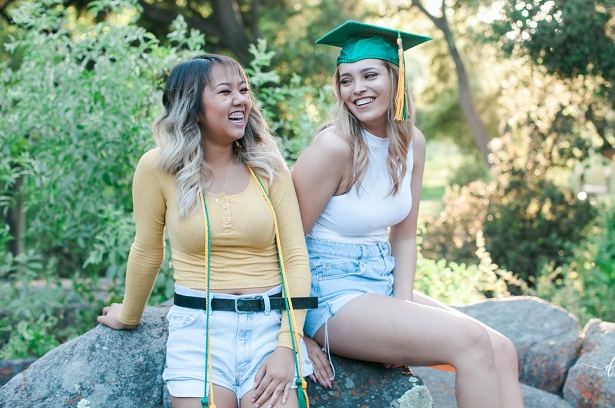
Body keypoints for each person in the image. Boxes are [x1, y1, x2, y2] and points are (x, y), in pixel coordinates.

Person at [291, 22, 525, 408]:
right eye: (346, 80)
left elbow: (403, 236)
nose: (357, 88)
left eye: (369, 75)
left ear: (395, 79)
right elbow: (283, 241)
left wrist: (401, 310)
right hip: (330, 292)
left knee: (502, 350)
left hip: (379, 280)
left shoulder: (411, 142)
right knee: (469, 341)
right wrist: (293, 334)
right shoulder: (334, 147)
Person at [98, 54, 315, 408]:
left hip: (268, 329)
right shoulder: (158, 167)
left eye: (243, 90)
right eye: (225, 91)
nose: (240, 100)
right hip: (198, 331)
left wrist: (287, 346)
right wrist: (128, 316)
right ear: (193, 106)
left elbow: (295, 259)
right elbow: (148, 249)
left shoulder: (268, 164)